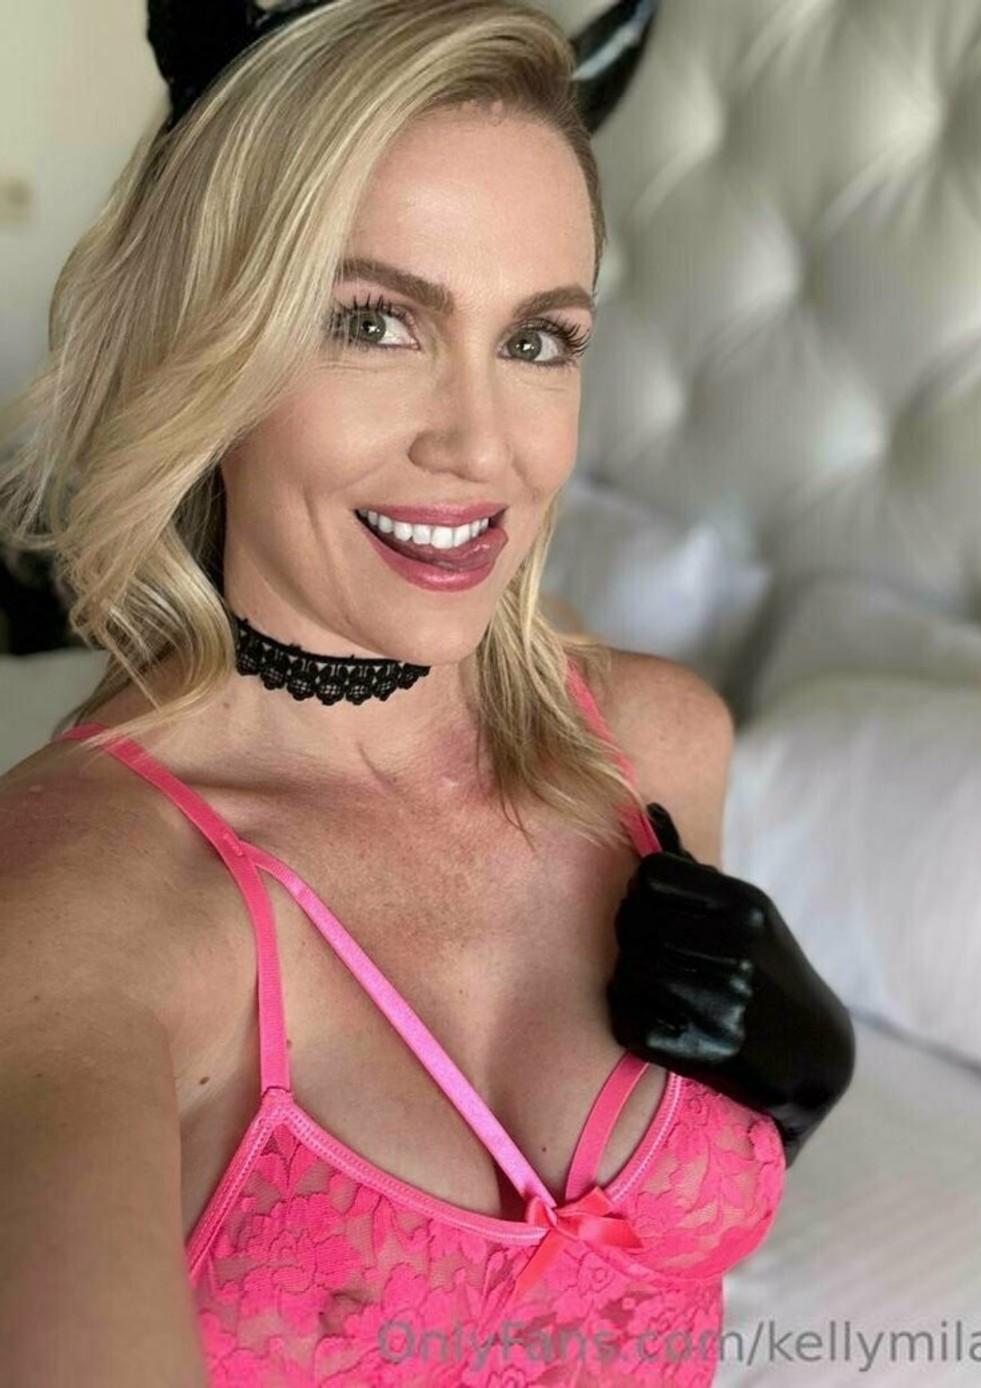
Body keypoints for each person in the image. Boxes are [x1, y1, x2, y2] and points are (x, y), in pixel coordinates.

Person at [0, 3, 851, 1383]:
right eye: (375, 322)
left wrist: (803, 1084)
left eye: (539, 340)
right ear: (208, 349)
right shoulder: (82, 906)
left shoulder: (653, 749)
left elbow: (651, 1271)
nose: (479, 445)